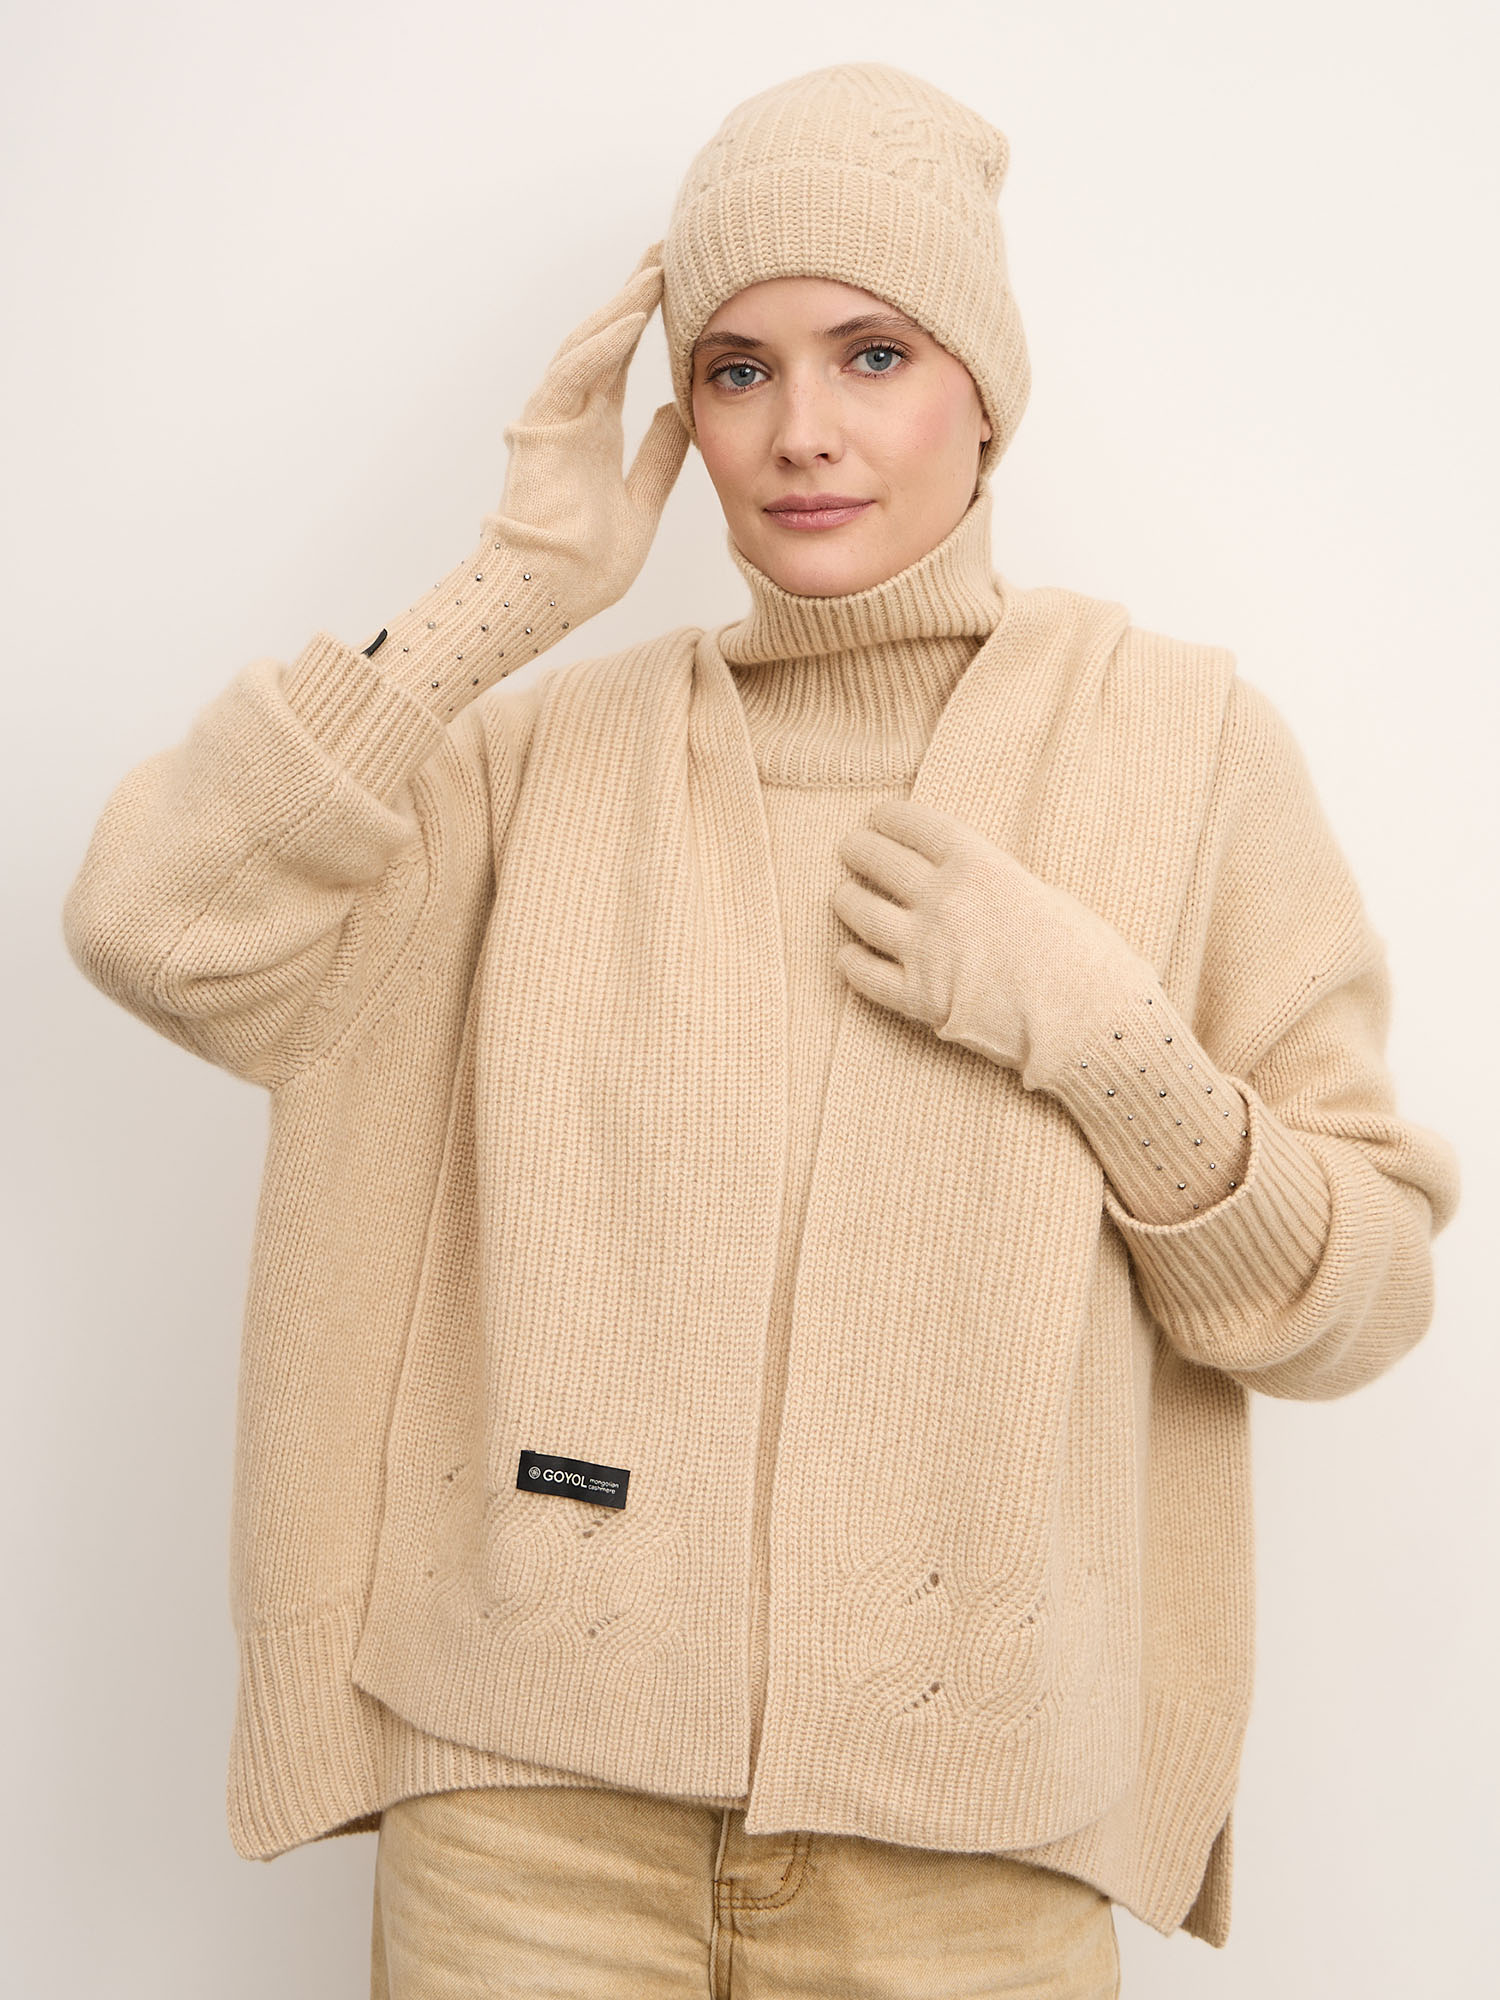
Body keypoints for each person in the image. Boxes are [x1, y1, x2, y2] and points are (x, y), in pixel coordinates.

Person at [61, 61, 1460, 2000]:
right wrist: (507, 593)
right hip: (526, 1823)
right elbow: (158, 925)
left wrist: (1108, 1040)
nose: (802, 429)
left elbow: (1358, 1298)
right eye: (737, 369)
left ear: (984, 389)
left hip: (971, 1857)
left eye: (873, 353)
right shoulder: (537, 761)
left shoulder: (1188, 750)